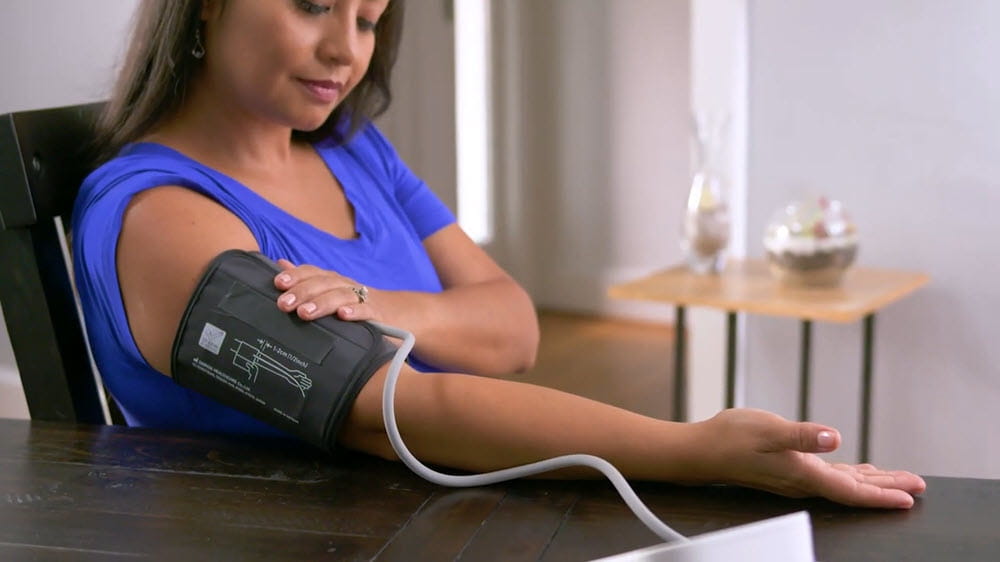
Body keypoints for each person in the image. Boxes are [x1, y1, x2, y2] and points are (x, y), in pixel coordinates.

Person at [72, 0, 925, 509]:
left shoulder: (353, 150)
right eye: (312, 4)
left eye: (370, 18)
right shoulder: (160, 216)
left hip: (430, 507)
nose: (348, 51)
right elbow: (399, 412)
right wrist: (694, 449)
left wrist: (378, 305)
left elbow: (514, 330)